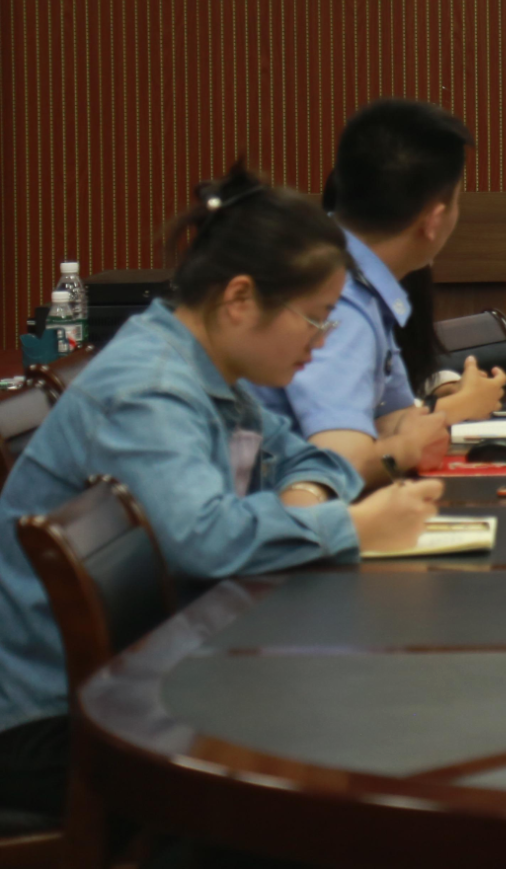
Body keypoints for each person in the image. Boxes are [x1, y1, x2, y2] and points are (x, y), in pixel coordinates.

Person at [0, 164, 444, 820]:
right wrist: (354, 527)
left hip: (138, 673)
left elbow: (304, 457)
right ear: (240, 298)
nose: (322, 342)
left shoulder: (207, 368)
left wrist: (307, 493)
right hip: (49, 723)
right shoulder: (150, 388)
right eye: (317, 318)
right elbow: (203, 539)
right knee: (337, 768)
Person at [257, 99, 506, 483]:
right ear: (433, 220)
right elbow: (339, 462)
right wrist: (424, 433)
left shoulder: (350, 273)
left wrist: (443, 413)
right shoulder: (335, 296)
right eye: (456, 200)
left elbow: (390, 421)